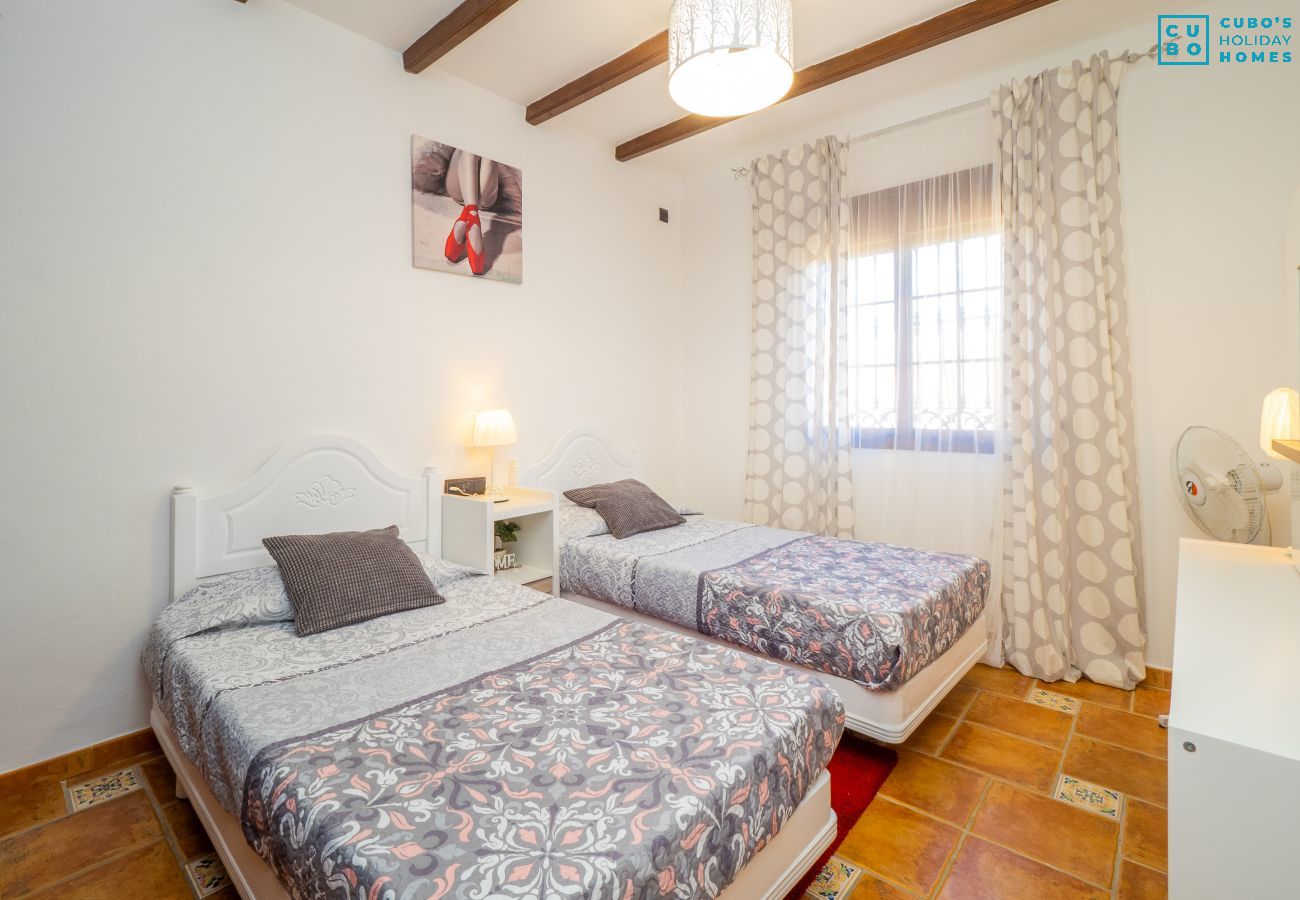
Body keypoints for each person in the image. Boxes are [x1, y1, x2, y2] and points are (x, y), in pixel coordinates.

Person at [443, 150, 500, 277]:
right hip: (482, 197)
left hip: (468, 193)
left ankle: (469, 214)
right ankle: (473, 220)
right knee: (477, 152)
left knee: (476, 152)